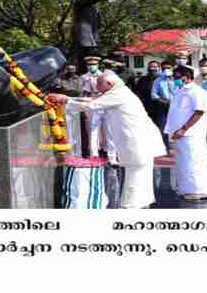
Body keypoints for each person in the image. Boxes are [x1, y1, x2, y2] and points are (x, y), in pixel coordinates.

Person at [47, 71, 166, 208]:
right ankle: (141, 202)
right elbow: (92, 100)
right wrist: (67, 98)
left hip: (138, 139)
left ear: (109, 84)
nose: (96, 87)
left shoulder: (118, 94)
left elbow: (91, 105)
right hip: (139, 138)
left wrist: (66, 100)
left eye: (99, 84)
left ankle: (132, 205)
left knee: (136, 171)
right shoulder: (116, 92)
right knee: (140, 171)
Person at [164, 65, 207, 200]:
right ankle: (186, 189)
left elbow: (199, 112)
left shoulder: (197, 92)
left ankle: (198, 191)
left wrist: (184, 128)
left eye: (177, 77)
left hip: (191, 134)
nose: (175, 80)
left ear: (186, 77)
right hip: (179, 134)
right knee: (183, 162)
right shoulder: (180, 90)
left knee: (194, 161)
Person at [151, 60, 177, 152]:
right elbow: (154, 95)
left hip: (176, 106)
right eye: (164, 68)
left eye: (168, 68)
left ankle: (178, 147)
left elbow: (182, 91)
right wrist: (163, 101)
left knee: (177, 126)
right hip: (162, 105)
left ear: (172, 68)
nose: (166, 70)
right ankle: (165, 147)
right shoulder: (158, 80)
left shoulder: (177, 79)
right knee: (162, 127)